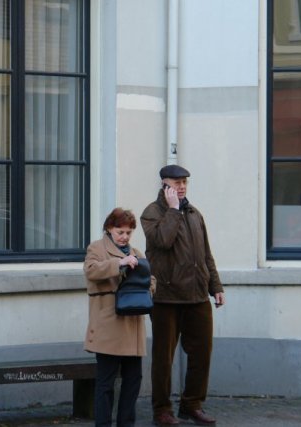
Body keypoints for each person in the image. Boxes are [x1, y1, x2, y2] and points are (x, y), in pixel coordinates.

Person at [141, 164, 225, 426]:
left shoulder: (195, 213)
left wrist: (216, 287)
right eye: (176, 183)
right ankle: (162, 411)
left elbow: (205, 255)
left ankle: (191, 405)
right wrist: (174, 210)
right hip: (166, 297)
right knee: (163, 359)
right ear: (164, 186)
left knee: (202, 354)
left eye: (184, 182)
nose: (181, 187)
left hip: (198, 296)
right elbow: (163, 241)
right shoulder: (152, 213)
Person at [83, 207, 156, 427]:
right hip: (108, 326)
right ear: (109, 228)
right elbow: (91, 271)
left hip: (132, 326)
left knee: (133, 381)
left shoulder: (136, 251)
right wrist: (119, 264)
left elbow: (151, 279)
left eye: (128, 232)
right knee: (105, 383)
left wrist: (148, 287)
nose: (124, 237)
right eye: (120, 232)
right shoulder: (96, 248)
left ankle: (127, 423)